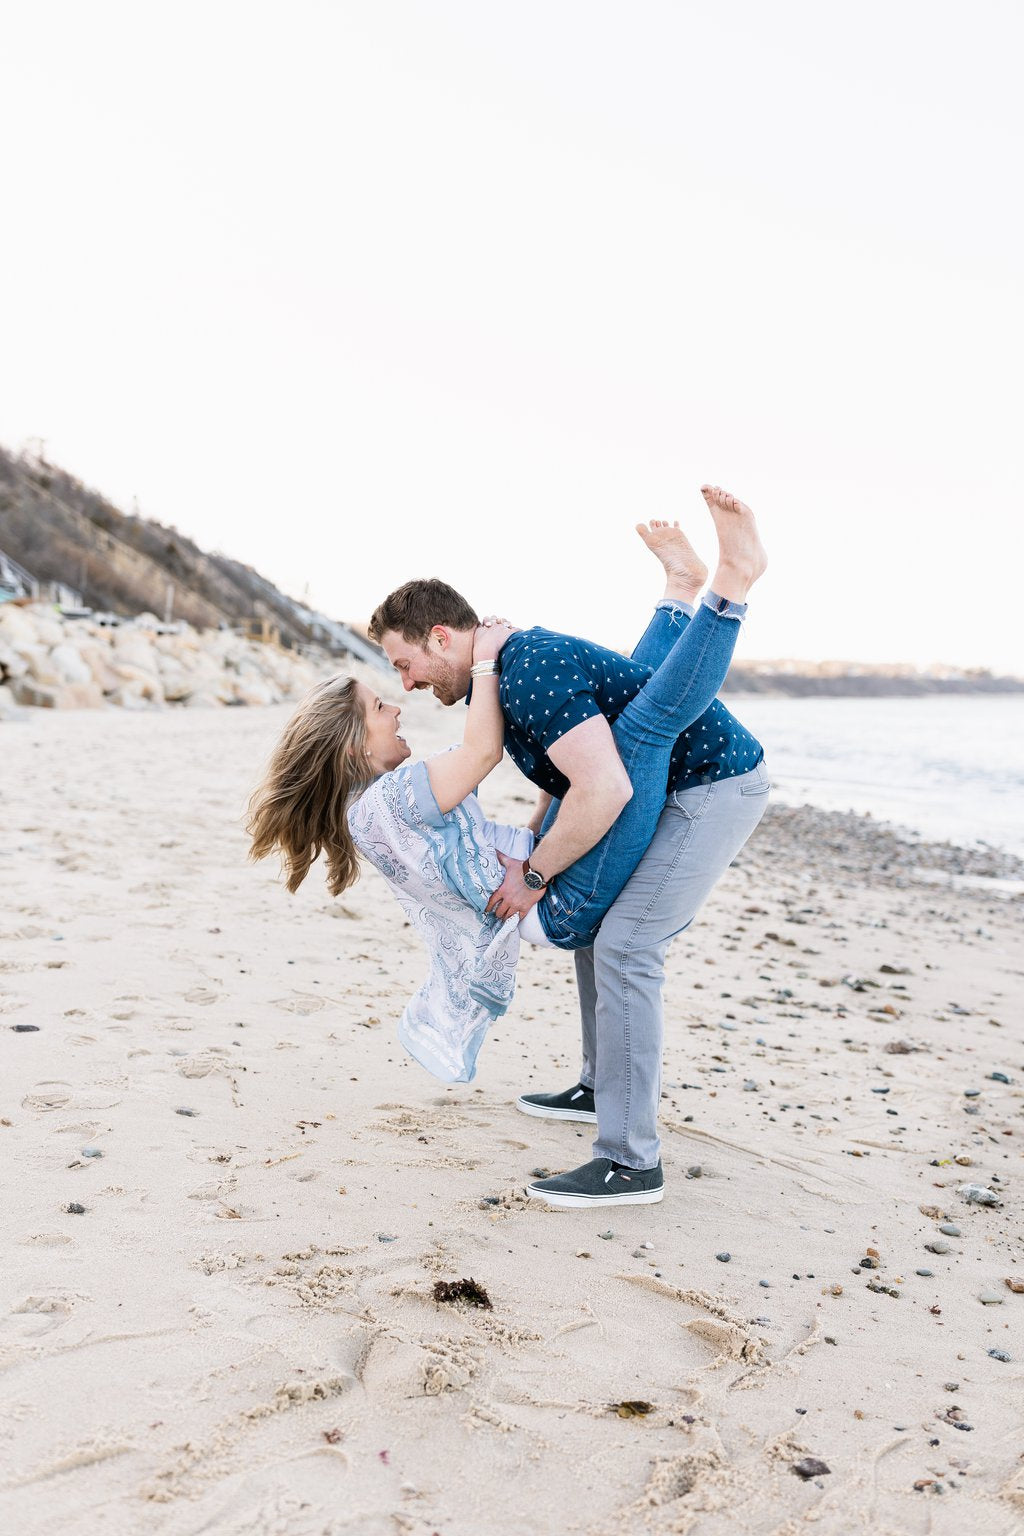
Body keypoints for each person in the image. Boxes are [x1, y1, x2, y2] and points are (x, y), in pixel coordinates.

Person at [367, 486, 769, 1207]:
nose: (406, 683)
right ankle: (599, 1088)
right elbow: (570, 763)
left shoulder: (526, 670)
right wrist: (537, 832)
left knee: (627, 944)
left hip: (710, 786)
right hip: (670, 781)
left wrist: (536, 871)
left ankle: (630, 1161)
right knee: (599, 932)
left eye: (405, 664)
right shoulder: (508, 676)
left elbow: (605, 787)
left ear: (440, 636)